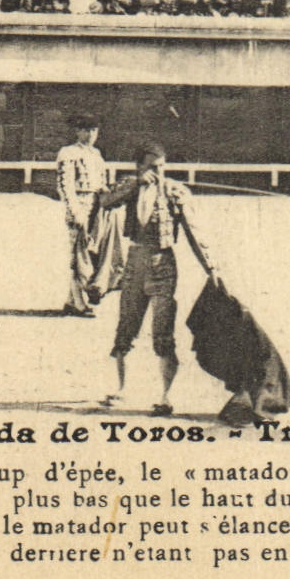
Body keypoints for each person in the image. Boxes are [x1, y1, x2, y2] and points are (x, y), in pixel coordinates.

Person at [103, 143, 218, 417]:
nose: (159, 172)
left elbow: (194, 232)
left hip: (163, 264)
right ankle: (120, 389)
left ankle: (166, 397)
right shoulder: (130, 187)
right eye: (153, 166)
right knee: (125, 328)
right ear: (140, 167)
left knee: (162, 332)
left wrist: (211, 267)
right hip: (135, 263)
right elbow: (104, 202)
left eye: (162, 166)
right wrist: (135, 186)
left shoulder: (175, 192)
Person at [55, 113, 106, 316]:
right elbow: (65, 186)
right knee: (77, 254)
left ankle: (71, 300)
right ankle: (78, 304)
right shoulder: (68, 153)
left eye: (94, 130)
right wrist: (75, 211)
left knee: (89, 253)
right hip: (80, 206)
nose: (91, 134)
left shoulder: (97, 155)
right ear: (78, 131)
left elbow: (100, 183)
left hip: (95, 207)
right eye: (86, 130)